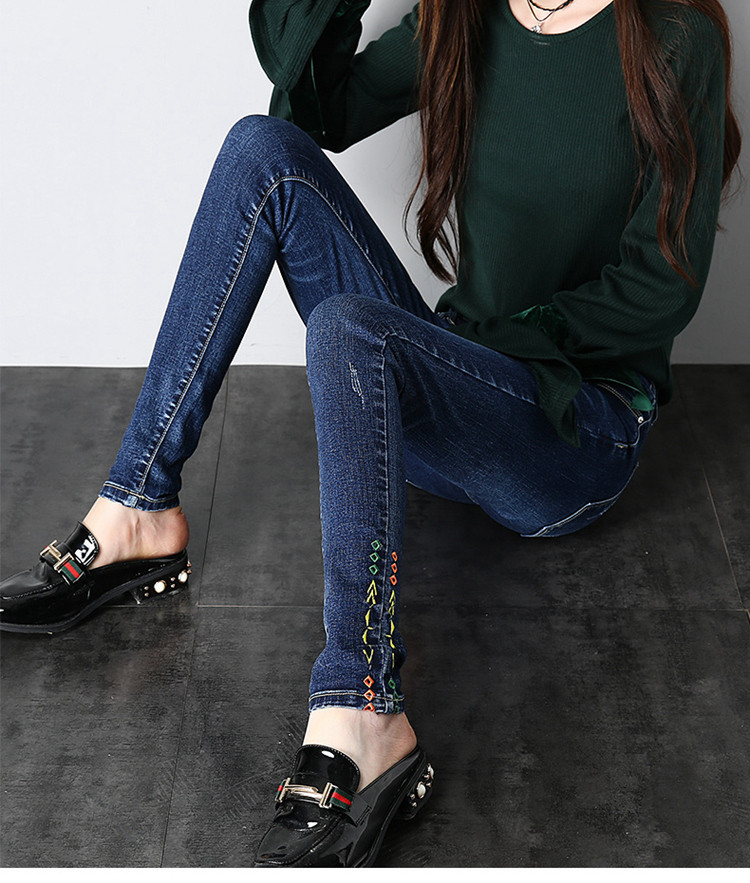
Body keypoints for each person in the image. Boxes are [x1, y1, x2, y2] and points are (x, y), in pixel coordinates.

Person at [0, 0, 741, 868]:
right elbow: (319, 111)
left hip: (574, 429)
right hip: (461, 386)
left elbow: (663, 281)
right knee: (260, 151)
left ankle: (364, 708)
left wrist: (499, 351)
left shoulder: (673, 35)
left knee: (352, 328)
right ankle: (138, 507)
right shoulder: (465, 15)